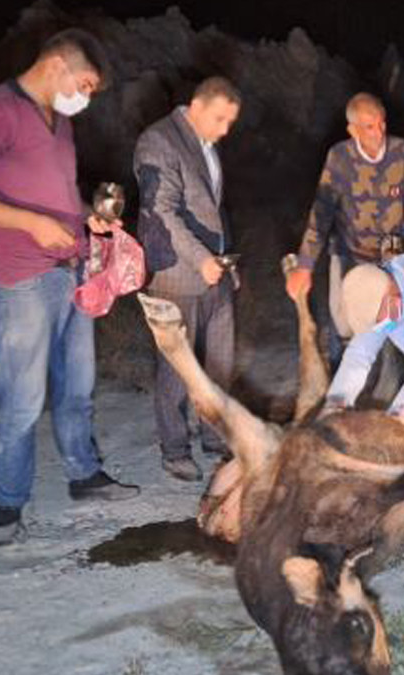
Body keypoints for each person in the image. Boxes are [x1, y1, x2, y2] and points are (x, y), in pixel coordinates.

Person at [0, 28, 139, 545]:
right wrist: (28, 222)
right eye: (85, 84)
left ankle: (83, 477)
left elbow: (58, 194)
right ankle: (8, 509)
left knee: (77, 389)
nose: (86, 97)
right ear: (56, 66)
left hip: (71, 272)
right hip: (22, 278)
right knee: (21, 399)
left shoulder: (60, 123)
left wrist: (88, 218)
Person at [133, 77, 242, 482]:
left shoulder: (206, 145)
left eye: (231, 121)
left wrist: (228, 262)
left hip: (216, 273)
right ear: (195, 105)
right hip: (177, 273)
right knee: (177, 368)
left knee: (219, 363)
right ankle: (174, 448)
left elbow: (214, 208)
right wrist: (201, 260)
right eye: (220, 119)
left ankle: (214, 438)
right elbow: (160, 211)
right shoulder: (157, 141)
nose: (225, 129)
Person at [285, 92, 404, 365]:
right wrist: (305, 265)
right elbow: (322, 211)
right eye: (369, 127)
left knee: (390, 321)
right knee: (343, 324)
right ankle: (342, 382)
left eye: (382, 123)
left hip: (391, 256)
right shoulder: (340, 158)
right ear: (353, 130)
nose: (379, 132)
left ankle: (389, 381)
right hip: (348, 251)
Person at [318, 253, 404, 433]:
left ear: (391, 290)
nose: (381, 326)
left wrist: (397, 415)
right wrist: (337, 401)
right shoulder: (377, 287)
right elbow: (360, 353)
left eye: (380, 319)